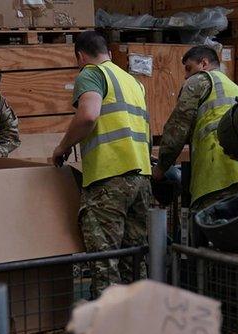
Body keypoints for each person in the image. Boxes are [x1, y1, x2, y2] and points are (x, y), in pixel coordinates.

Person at [51, 30, 153, 297]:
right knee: (134, 258)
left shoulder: (91, 73)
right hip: (141, 178)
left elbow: (87, 115)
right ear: (107, 51)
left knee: (105, 262)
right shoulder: (132, 81)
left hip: (109, 179)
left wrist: (63, 146)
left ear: (81, 55)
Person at [152, 45, 238, 214]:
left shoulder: (199, 80)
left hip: (217, 177)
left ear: (204, 63)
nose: (186, 76)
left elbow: (177, 129)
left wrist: (160, 168)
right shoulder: (237, 89)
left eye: (189, 68)